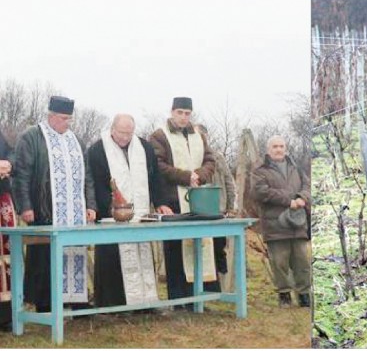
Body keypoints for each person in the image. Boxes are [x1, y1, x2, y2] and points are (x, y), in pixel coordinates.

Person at [12, 96, 97, 313]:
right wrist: (25, 206)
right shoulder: (32, 137)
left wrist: (91, 205)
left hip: (74, 213)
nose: (67, 123)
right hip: (43, 210)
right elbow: (22, 174)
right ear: (51, 116)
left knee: (74, 253)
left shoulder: (76, 140)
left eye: (70, 119)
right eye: (63, 118)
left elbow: (87, 177)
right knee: (44, 258)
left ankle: (75, 299)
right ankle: (45, 303)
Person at [88, 114, 170, 307]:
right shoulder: (98, 150)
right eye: (122, 133)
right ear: (112, 129)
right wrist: (102, 208)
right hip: (112, 215)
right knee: (113, 260)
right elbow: (96, 183)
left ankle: (145, 302)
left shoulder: (144, 148)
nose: (125, 137)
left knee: (142, 256)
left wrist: (160, 202)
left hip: (139, 213)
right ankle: (113, 304)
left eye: (129, 133)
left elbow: (155, 178)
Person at [148, 97, 218, 307]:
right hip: (173, 199)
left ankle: (197, 297)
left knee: (198, 247)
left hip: (197, 199)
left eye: (187, 113)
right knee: (175, 250)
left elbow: (210, 160)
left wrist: (199, 175)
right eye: (180, 112)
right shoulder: (159, 135)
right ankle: (177, 299)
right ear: (171, 112)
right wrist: (185, 176)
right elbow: (158, 165)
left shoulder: (198, 135)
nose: (183, 117)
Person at [251, 135, 311, 307]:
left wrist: (301, 198)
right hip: (275, 224)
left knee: (302, 262)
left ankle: (304, 294)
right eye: (275, 146)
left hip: (297, 223)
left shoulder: (296, 168)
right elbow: (260, 192)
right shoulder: (260, 171)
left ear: (286, 148)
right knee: (279, 262)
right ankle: (284, 295)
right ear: (268, 150)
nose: (278, 149)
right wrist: (288, 200)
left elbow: (307, 187)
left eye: (281, 146)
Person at [194, 123, 236, 290]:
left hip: (218, 210)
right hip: (198, 212)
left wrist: (231, 206)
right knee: (202, 250)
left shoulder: (217, 157)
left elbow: (228, 181)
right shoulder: (191, 157)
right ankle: (204, 285)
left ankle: (219, 285)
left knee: (219, 249)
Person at [0, 130, 15, 330]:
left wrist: (7, 163)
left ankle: (5, 317)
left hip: (2, 197)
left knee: (6, 257)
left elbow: (10, 152)